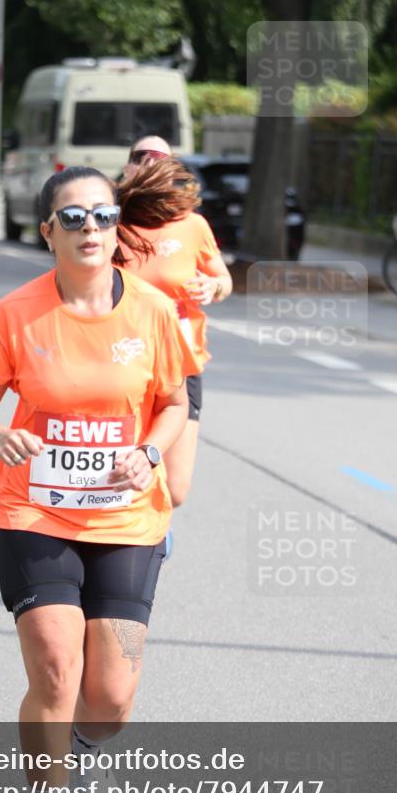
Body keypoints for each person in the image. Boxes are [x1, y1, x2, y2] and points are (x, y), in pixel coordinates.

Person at [0, 166, 194, 793]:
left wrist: (149, 452)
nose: (90, 227)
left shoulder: (151, 311)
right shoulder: (16, 314)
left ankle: (82, 757)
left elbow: (175, 402)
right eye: (74, 217)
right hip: (33, 510)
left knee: (111, 697)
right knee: (57, 667)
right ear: (48, 232)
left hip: (125, 518)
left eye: (102, 214)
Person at [118, 137, 233, 512]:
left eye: (159, 158)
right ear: (127, 166)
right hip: (122, 362)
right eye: (140, 157)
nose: (149, 163)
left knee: (176, 488)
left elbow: (224, 280)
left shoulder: (192, 225)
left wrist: (212, 285)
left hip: (180, 367)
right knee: (120, 473)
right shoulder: (110, 222)